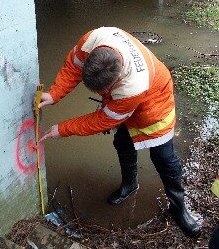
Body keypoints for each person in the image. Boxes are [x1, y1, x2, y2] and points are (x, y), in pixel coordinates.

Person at [39, 27, 201, 238]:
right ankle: (130, 184)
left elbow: (102, 120)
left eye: (103, 92)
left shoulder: (132, 86)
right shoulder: (91, 40)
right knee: (123, 143)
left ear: (116, 82)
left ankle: (179, 208)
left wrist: (63, 129)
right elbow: (72, 66)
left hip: (154, 103)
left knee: (165, 158)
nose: (101, 95)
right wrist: (55, 94)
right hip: (122, 102)